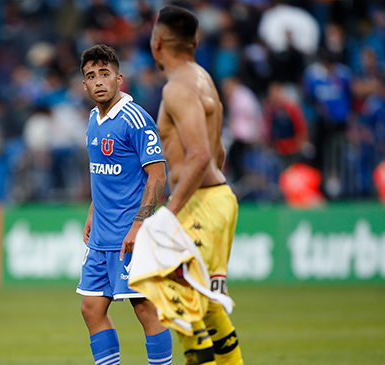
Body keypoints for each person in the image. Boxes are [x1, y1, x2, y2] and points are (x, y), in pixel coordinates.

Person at [148, 5, 243, 365]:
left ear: (157, 43)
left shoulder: (177, 89)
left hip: (199, 200)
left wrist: (171, 213)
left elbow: (201, 155)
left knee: (169, 286)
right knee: (201, 299)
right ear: (195, 42)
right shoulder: (203, 78)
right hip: (215, 198)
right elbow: (217, 150)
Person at [77, 44, 172, 365]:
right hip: (102, 236)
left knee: (144, 308)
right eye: (91, 76)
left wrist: (140, 224)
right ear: (84, 85)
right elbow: (101, 172)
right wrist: (92, 210)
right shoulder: (93, 118)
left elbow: (158, 174)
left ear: (119, 78)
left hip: (132, 234)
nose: (98, 81)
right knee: (91, 308)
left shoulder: (136, 119)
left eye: (104, 74)